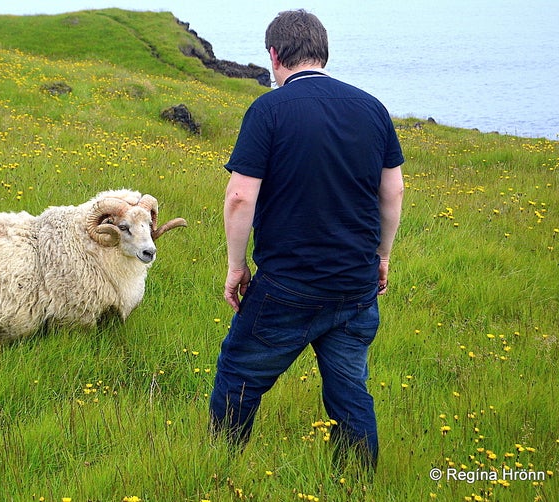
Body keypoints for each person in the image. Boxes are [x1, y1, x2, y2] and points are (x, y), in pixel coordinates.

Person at [208, 9, 404, 475]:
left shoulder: (268, 110)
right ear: (323, 52)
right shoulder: (372, 108)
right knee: (350, 391)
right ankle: (356, 482)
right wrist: (382, 256)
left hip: (287, 287)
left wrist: (237, 266)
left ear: (275, 55)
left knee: (239, 377)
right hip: (355, 286)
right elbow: (392, 191)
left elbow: (239, 197)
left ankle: (218, 470)